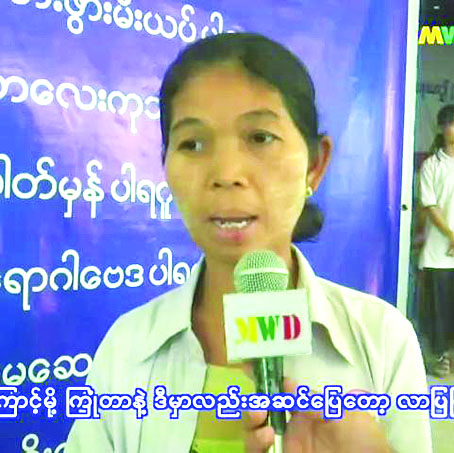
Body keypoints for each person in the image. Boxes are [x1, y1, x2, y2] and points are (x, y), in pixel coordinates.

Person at [65, 33, 431, 452]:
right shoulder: (127, 347)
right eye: (192, 144)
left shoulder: (382, 340)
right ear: (166, 166)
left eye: (259, 138)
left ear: (315, 164)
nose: (226, 173)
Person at [417, 104, 454, 378]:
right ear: (442, 129)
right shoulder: (431, 165)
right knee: (439, 313)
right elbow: (430, 206)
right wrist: (452, 236)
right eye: (450, 124)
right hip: (439, 255)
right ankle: (441, 358)